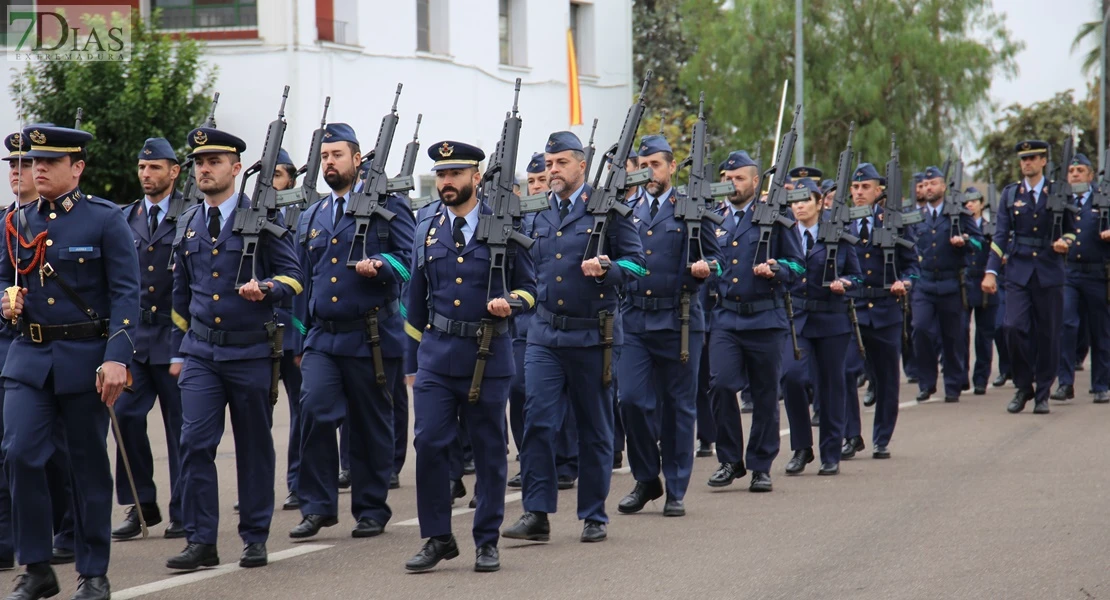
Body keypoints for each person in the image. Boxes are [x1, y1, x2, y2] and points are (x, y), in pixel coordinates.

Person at [1, 124, 140, 600]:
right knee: (19, 454)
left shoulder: (104, 219)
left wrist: (118, 357)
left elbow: (126, 293)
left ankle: (93, 570)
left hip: (86, 359)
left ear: (77, 167)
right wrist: (5, 298)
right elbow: (3, 276)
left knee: (86, 467)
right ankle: (38, 567)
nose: (36, 168)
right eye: (34, 161)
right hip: (29, 357)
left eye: (49, 161)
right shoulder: (17, 221)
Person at [165, 126, 302, 571]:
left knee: (253, 446)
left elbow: (294, 277)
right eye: (200, 163)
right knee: (194, 443)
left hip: (250, 352)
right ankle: (201, 540)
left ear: (236, 168)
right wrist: (178, 351)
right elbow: (180, 298)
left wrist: (266, 288)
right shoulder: (187, 223)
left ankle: (255, 536)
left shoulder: (262, 218)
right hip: (203, 352)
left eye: (214, 162)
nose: (204, 170)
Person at [503, 131, 645, 544]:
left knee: (594, 428)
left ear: (582, 165)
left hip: (593, 336)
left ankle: (593, 515)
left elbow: (638, 266)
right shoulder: (537, 213)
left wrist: (608, 269)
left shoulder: (606, 211)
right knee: (538, 422)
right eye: (548, 164)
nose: (552, 171)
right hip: (544, 335)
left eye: (561, 163)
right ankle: (537, 513)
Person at [402, 140, 535, 573]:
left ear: (476, 177)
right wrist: (410, 362)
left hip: (488, 353)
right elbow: (415, 301)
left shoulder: (503, 225)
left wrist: (510, 302)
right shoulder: (426, 227)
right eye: (441, 175)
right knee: (429, 443)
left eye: (455, 174)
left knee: (490, 448)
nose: (447, 183)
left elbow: (532, 289)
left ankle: (486, 539)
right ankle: (438, 537)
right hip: (437, 356)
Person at [289, 123, 414, 541]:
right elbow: (303, 280)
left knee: (369, 425)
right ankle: (318, 506)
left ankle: (371, 508)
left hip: (372, 335)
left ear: (357, 159)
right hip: (324, 337)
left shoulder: (387, 205)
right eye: (324, 156)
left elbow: (408, 263)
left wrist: (379, 264)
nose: (329, 162)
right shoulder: (313, 215)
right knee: (314, 410)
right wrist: (300, 337)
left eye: (337, 155)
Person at [615, 135, 720, 517]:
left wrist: (705, 268)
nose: (649, 172)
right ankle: (647, 478)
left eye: (656, 164)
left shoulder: (691, 208)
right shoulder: (627, 209)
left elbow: (718, 258)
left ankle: (675, 486)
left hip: (680, 319)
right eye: (643, 165)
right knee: (629, 400)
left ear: (672, 167)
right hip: (636, 318)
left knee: (678, 406)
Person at [706, 151, 803, 490]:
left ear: (755, 181)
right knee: (719, 384)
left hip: (765, 317)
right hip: (726, 317)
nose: (732, 184)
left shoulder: (775, 216)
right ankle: (730, 460)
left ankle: (761, 464)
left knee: (764, 394)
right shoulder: (714, 216)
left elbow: (799, 266)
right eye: (727, 179)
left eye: (739, 178)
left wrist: (778, 270)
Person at [111, 138, 186, 541]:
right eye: (142, 168)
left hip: (175, 338)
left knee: (181, 429)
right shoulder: (125, 217)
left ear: (173, 172)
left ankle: (184, 508)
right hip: (136, 337)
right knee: (125, 418)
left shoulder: (189, 216)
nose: (146, 175)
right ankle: (140, 504)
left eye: (155, 168)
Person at [983, 140, 1075, 414]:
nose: (1027, 163)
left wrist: (1065, 243)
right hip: (1019, 271)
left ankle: (1043, 392)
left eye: (1033, 158)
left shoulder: (1059, 192)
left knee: (1049, 335)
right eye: (1024, 159)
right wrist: (990, 271)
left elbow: (1073, 229)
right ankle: (1024, 385)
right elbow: (1000, 235)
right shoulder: (1011, 195)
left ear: (1044, 161)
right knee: (1012, 327)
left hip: (1049, 270)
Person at [781, 179, 860, 476]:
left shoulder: (836, 233)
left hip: (831, 318)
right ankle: (802, 447)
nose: (798, 206)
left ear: (818, 202)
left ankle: (830, 451)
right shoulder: (784, 232)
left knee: (830, 385)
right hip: (796, 317)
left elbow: (858, 276)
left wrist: (846, 283)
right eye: (795, 201)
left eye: (805, 200)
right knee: (791, 376)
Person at [841, 164, 917, 461]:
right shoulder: (842, 220)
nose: (859, 193)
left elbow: (912, 264)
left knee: (886, 379)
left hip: (886, 307)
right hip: (853, 308)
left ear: (878, 190)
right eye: (855, 188)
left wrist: (905, 282)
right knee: (846, 371)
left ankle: (882, 437)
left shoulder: (894, 222)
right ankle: (851, 435)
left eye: (865, 188)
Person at [912, 166, 982, 402]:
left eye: (934, 183)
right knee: (920, 329)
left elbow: (980, 242)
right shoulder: (916, 216)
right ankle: (926, 382)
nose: (929, 188)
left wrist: (965, 241)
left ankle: (952, 384)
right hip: (924, 282)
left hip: (952, 282)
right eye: (925, 184)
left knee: (952, 336)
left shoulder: (959, 214)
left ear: (943, 187)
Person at [1052, 153, 1110, 403]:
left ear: (1089, 174)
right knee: (1067, 325)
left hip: (1098, 273)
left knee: (1100, 330)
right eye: (1071, 170)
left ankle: (1101, 385)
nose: (1074, 174)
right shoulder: (1061, 201)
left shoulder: (1104, 199)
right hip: (1069, 273)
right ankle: (1065, 383)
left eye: (1079, 170)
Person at [508, 152, 546, 488]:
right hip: (523, 318)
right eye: (531, 182)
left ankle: (561, 458)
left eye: (541, 180)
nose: (536, 187)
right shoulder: (522, 218)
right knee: (518, 388)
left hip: (551, 316)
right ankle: (527, 456)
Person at [272, 148, 307, 510]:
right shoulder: (250, 217)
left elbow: (304, 283)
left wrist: (300, 337)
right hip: (261, 331)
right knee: (255, 415)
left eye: (279, 174)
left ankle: (298, 483)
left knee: (303, 412)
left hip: (293, 330)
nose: (272, 181)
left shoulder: (303, 218)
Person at [961, 186, 999, 396]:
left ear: (981, 203)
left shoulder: (990, 227)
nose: (969, 204)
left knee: (984, 334)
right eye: (966, 201)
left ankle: (981, 379)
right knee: (961, 332)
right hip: (965, 281)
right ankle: (962, 376)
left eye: (974, 201)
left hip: (985, 281)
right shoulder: (958, 227)